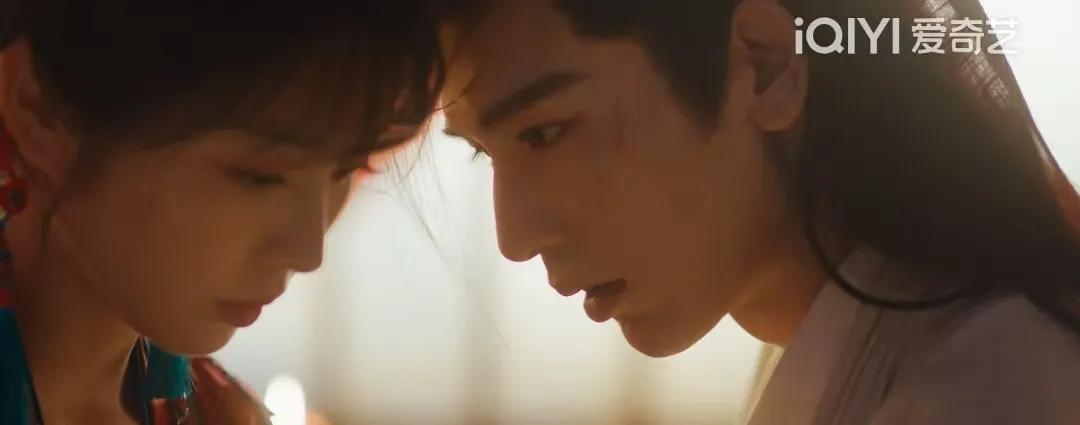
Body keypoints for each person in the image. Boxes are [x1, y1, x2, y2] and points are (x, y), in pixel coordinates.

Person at [436, 0, 1080, 422]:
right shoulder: (838, 359)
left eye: (545, 133)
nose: (513, 236)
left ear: (763, 66)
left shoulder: (986, 386)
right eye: (482, 153)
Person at [0, 1, 442, 423]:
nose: (309, 253)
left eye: (348, 169)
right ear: (39, 111)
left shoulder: (225, 413)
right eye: (259, 177)